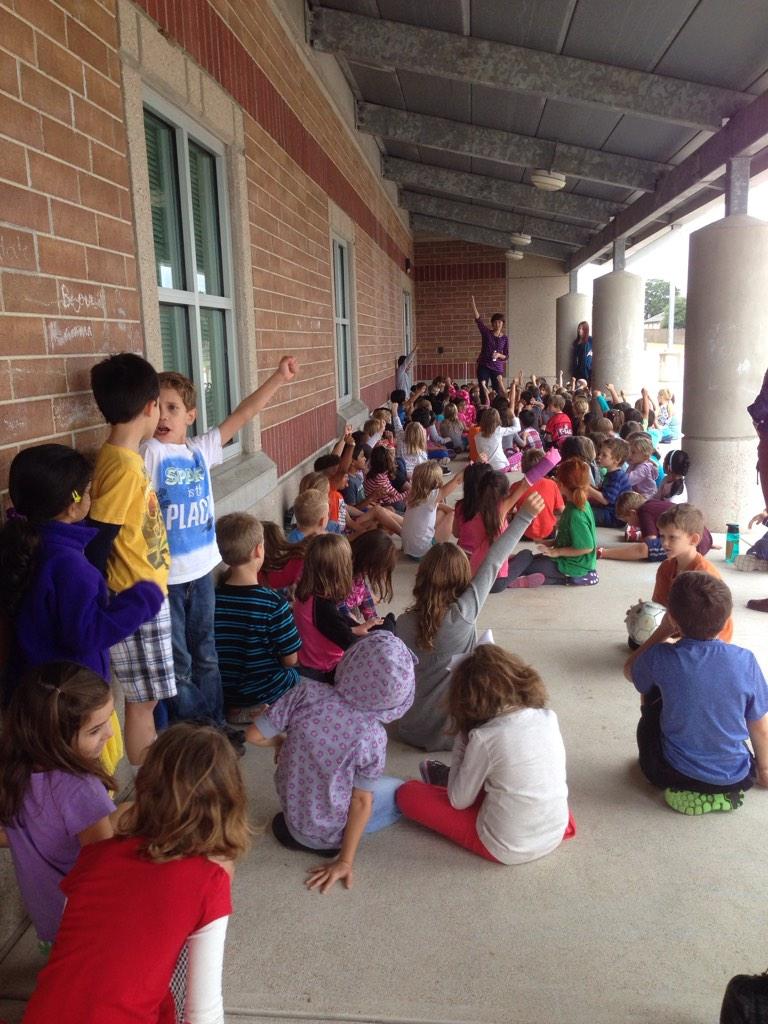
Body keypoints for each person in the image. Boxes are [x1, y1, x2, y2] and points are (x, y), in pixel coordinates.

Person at [22, 722, 248, 1024]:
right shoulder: (209, 882)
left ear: (145, 788)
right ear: (229, 804)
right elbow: (202, 1011)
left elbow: (73, 942)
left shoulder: (95, 855)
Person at [142, 357, 297, 736]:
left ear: (190, 415)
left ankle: (214, 726)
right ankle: (199, 732)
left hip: (203, 573)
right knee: (179, 662)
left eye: (173, 408)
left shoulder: (200, 450)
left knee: (207, 655)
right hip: (167, 581)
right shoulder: (150, 453)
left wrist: (278, 377)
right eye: (157, 407)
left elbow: (243, 415)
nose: (164, 415)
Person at [0, 445, 162, 773]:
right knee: (82, 779)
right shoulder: (70, 566)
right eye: (89, 491)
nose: (93, 498)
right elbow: (87, 633)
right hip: (72, 704)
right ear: (74, 505)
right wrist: (143, 598)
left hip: (38, 695)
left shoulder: (29, 546)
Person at [246, 632, 415, 892]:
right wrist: (345, 861)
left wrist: (281, 742)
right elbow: (361, 802)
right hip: (331, 841)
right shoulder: (373, 736)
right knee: (399, 789)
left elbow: (253, 735)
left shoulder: (305, 692)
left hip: (291, 823)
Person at [397, 644, 575, 863]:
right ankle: (449, 778)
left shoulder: (485, 737)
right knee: (510, 777)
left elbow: (458, 802)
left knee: (407, 793)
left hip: (507, 847)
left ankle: (446, 779)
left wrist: (463, 739)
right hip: (555, 829)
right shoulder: (548, 716)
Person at [395, 491, 545, 751]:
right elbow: (493, 561)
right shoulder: (463, 614)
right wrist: (524, 517)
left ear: (421, 578)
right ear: (461, 577)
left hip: (410, 728)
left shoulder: (402, 624)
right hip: (454, 735)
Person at [87, 352, 173, 768]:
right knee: (144, 700)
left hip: (143, 594)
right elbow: (100, 536)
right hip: (134, 598)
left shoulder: (122, 458)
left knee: (148, 696)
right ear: (150, 407)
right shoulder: (121, 466)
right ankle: (150, 792)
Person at [624, 572, 768, 814]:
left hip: (672, 772)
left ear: (673, 619)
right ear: (725, 621)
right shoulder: (746, 661)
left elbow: (630, 671)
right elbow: (760, 727)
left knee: (651, 700)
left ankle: (688, 791)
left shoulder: (661, 657)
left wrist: (661, 633)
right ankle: (722, 794)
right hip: (736, 775)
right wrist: (763, 768)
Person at [0, 663, 117, 949]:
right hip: (87, 924)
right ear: (55, 737)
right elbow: (106, 865)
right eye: (96, 730)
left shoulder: (11, 771)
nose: (110, 735)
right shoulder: (82, 789)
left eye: (110, 720)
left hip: (48, 921)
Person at [214, 513, 301, 725]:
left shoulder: (212, 599)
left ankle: (238, 709)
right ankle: (266, 711)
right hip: (266, 690)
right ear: (258, 550)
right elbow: (290, 660)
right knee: (297, 675)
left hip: (225, 691)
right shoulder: (273, 604)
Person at [628, 504, 733, 655]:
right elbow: (661, 606)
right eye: (662, 536)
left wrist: (674, 642)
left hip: (707, 638)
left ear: (694, 539)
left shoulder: (706, 574)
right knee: (635, 641)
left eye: (672, 537)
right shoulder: (666, 567)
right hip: (680, 626)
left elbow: (712, 627)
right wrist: (645, 613)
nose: (664, 543)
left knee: (655, 651)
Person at [292, 533, 381, 682]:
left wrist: (355, 628)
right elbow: (352, 644)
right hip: (325, 670)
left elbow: (324, 628)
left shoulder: (307, 592)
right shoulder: (323, 608)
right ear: (340, 571)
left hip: (310, 658)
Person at [507, 457, 598, 588]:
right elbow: (571, 539)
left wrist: (557, 552)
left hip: (573, 565)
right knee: (530, 559)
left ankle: (504, 579)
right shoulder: (575, 504)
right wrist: (550, 543)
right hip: (570, 561)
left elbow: (586, 547)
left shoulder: (575, 514)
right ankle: (546, 579)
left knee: (524, 556)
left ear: (560, 484)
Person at [598, 490, 713, 562]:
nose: (629, 524)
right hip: (704, 536)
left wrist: (605, 552)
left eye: (627, 520)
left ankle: (602, 552)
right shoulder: (651, 504)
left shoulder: (644, 512)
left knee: (643, 549)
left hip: (696, 546)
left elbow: (649, 544)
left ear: (633, 513)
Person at [400, 462, 463, 559]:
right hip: (424, 553)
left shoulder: (414, 495)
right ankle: (439, 551)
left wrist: (450, 510)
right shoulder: (432, 496)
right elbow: (457, 480)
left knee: (442, 512)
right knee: (452, 515)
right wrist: (471, 466)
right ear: (436, 481)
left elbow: (438, 506)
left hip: (408, 550)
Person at [343, 530, 397, 623]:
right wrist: (350, 620)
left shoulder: (359, 572)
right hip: (332, 615)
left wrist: (373, 619)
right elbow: (331, 604)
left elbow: (364, 592)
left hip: (348, 608)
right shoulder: (341, 571)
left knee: (385, 624)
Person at [512, 449, 565, 542]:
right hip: (549, 533)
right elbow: (561, 510)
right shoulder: (552, 484)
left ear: (523, 466)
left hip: (523, 533)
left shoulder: (516, 486)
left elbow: (507, 510)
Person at [587, 437, 631, 527]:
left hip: (614, 516)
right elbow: (604, 492)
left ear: (617, 459)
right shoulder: (612, 473)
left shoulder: (617, 477)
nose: (599, 456)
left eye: (604, 455)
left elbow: (605, 500)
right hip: (608, 511)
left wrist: (586, 488)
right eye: (600, 453)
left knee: (582, 513)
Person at [471, 295, 508, 394]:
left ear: (502, 323)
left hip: (497, 367)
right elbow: (479, 320)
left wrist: (499, 355)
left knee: (498, 390)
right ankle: (485, 407)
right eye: (495, 322)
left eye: (500, 322)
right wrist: (473, 304)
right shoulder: (487, 333)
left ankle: (497, 408)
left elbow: (506, 356)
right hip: (484, 365)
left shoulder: (505, 338)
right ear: (492, 323)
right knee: (483, 389)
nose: (497, 324)